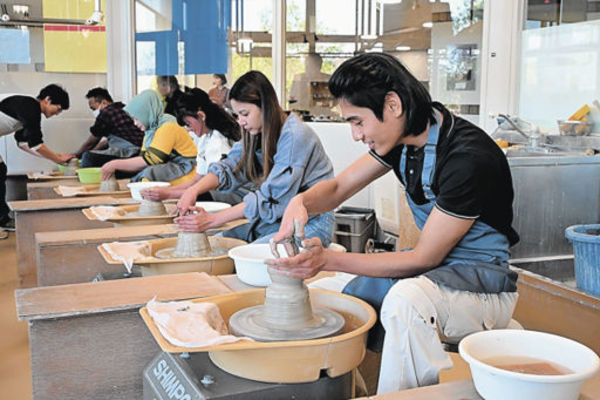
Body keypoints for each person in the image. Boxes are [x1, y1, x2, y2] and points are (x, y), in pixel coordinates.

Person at [267, 53, 520, 394]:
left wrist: (326, 258)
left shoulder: (467, 158)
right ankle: (356, 391)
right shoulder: (403, 141)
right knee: (327, 294)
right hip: (437, 274)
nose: (356, 135)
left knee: (405, 302)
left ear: (393, 105)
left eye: (358, 122)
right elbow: (339, 188)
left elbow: (423, 258)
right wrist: (301, 202)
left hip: (483, 286)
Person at [175, 70, 335, 245]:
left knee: (249, 253)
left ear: (265, 106)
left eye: (245, 114)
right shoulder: (256, 133)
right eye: (237, 115)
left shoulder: (295, 135)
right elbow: (230, 166)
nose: (241, 121)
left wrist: (212, 220)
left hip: (312, 221)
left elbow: (271, 198)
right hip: (277, 218)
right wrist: (193, 190)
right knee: (216, 242)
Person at [141, 88, 245, 204]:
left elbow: (213, 184)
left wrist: (169, 194)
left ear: (201, 116)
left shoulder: (219, 141)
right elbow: (197, 179)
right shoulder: (205, 138)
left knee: (195, 198)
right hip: (217, 189)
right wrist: (167, 190)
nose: (188, 129)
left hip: (236, 194)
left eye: (189, 124)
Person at [0, 84, 73, 237]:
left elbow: (24, 144)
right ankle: (2, 220)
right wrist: (57, 159)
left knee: (1, 171)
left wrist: (55, 157)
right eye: (58, 108)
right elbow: (36, 144)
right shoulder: (30, 107)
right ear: (47, 99)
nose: (57, 113)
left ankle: (3, 219)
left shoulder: (27, 109)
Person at [100, 89, 197, 185]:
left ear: (146, 113)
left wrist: (115, 164)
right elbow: (142, 159)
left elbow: (150, 160)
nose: (135, 123)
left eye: (137, 118)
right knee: (141, 176)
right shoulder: (151, 130)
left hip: (186, 169)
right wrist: (115, 167)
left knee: (148, 175)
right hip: (170, 166)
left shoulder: (168, 126)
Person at [73, 87, 144, 170]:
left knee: (87, 157)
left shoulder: (106, 112)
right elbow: (109, 141)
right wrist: (95, 151)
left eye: (93, 108)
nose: (94, 111)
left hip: (129, 152)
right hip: (141, 151)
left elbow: (91, 143)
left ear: (104, 102)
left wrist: (76, 156)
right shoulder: (124, 108)